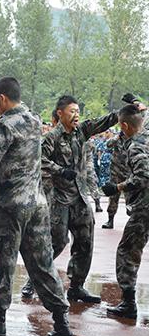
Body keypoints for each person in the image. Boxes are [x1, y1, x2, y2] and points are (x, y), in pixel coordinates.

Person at [0, 77, 72, 336]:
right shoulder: (34, 119)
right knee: (43, 264)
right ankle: (62, 323)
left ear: (2, 98)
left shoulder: (5, 124)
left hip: (11, 205)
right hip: (37, 203)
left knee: (4, 264)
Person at [21, 96, 120, 303]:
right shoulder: (51, 138)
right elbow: (38, 160)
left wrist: (126, 110)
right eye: (72, 111)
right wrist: (59, 170)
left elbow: (103, 122)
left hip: (80, 198)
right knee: (57, 242)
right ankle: (34, 278)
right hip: (60, 199)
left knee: (85, 242)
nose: (76, 115)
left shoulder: (82, 131)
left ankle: (76, 286)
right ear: (60, 113)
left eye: (77, 111)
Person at [102, 104, 149, 320]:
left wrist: (118, 187)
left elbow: (143, 176)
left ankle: (128, 303)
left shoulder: (136, 146)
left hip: (144, 207)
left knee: (127, 251)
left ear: (124, 126)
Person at [102, 133, 127, 229]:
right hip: (116, 173)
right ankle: (110, 220)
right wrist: (117, 137)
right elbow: (108, 144)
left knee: (132, 197)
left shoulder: (135, 138)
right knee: (113, 197)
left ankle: (134, 219)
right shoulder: (117, 138)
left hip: (129, 173)